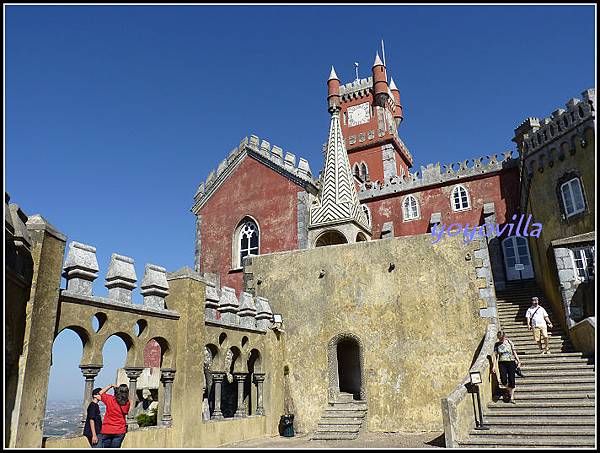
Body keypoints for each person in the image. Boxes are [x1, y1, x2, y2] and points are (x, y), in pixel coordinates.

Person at [493, 330, 521, 404]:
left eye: (502, 338)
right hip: (502, 363)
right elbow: (495, 356)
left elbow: (514, 351)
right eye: (499, 338)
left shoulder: (509, 342)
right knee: (503, 380)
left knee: (512, 379)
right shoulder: (497, 344)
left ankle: (512, 397)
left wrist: (518, 360)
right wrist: (493, 366)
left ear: (504, 336)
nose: (501, 340)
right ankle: (510, 389)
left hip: (511, 362)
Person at [98, 384, 130, 448]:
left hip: (107, 429)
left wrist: (110, 386)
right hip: (119, 430)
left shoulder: (110, 399)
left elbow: (100, 393)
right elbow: (125, 412)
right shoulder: (127, 403)